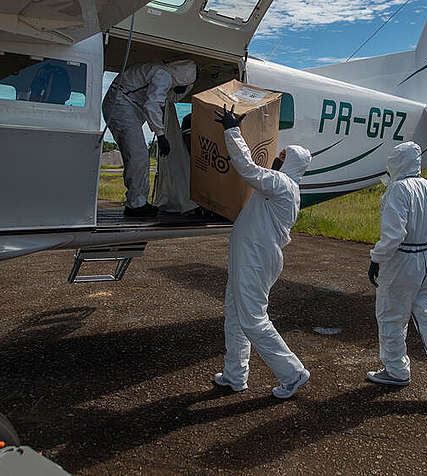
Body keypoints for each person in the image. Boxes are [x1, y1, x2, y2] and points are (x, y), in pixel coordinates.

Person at [212, 104, 312, 400]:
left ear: (291, 162)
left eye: (283, 156)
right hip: (251, 257)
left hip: (255, 260)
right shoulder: (283, 187)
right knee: (235, 314)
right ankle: (235, 374)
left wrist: (232, 130)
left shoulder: (280, 184)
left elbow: (246, 167)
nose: (278, 159)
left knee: (253, 319)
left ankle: (292, 373)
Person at [366, 141, 427, 405]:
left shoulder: (398, 190)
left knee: (391, 316)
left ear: (398, 162)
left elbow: (393, 234)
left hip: (403, 260)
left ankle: (396, 370)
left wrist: (377, 258)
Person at [102, 60, 197, 217]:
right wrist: (161, 135)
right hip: (121, 103)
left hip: (123, 103)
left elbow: (171, 98)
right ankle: (136, 204)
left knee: (137, 155)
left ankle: (137, 201)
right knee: (138, 155)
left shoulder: (163, 74)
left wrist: (181, 90)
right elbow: (152, 105)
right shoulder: (163, 76)